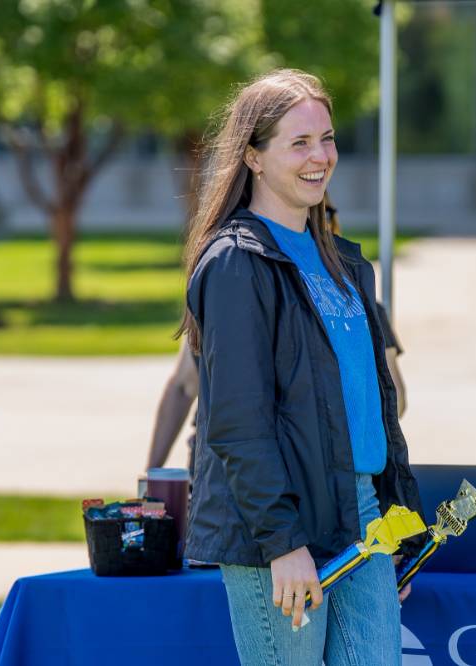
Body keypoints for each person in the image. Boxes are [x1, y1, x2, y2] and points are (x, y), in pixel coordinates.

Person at [178, 69, 422, 665]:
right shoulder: (236, 263)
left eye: (327, 139)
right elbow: (237, 422)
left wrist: (399, 522)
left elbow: (370, 407)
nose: (320, 157)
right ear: (254, 158)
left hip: (361, 513)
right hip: (278, 521)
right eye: (299, 143)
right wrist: (282, 544)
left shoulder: (343, 264)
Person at [145, 200, 406, 473]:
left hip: (314, 476)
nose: (317, 223)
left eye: (325, 213)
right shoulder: (231, 283)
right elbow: (183, 386)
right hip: (225, 473)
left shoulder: (358, 304)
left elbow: (394, 399)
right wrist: (151, 473)